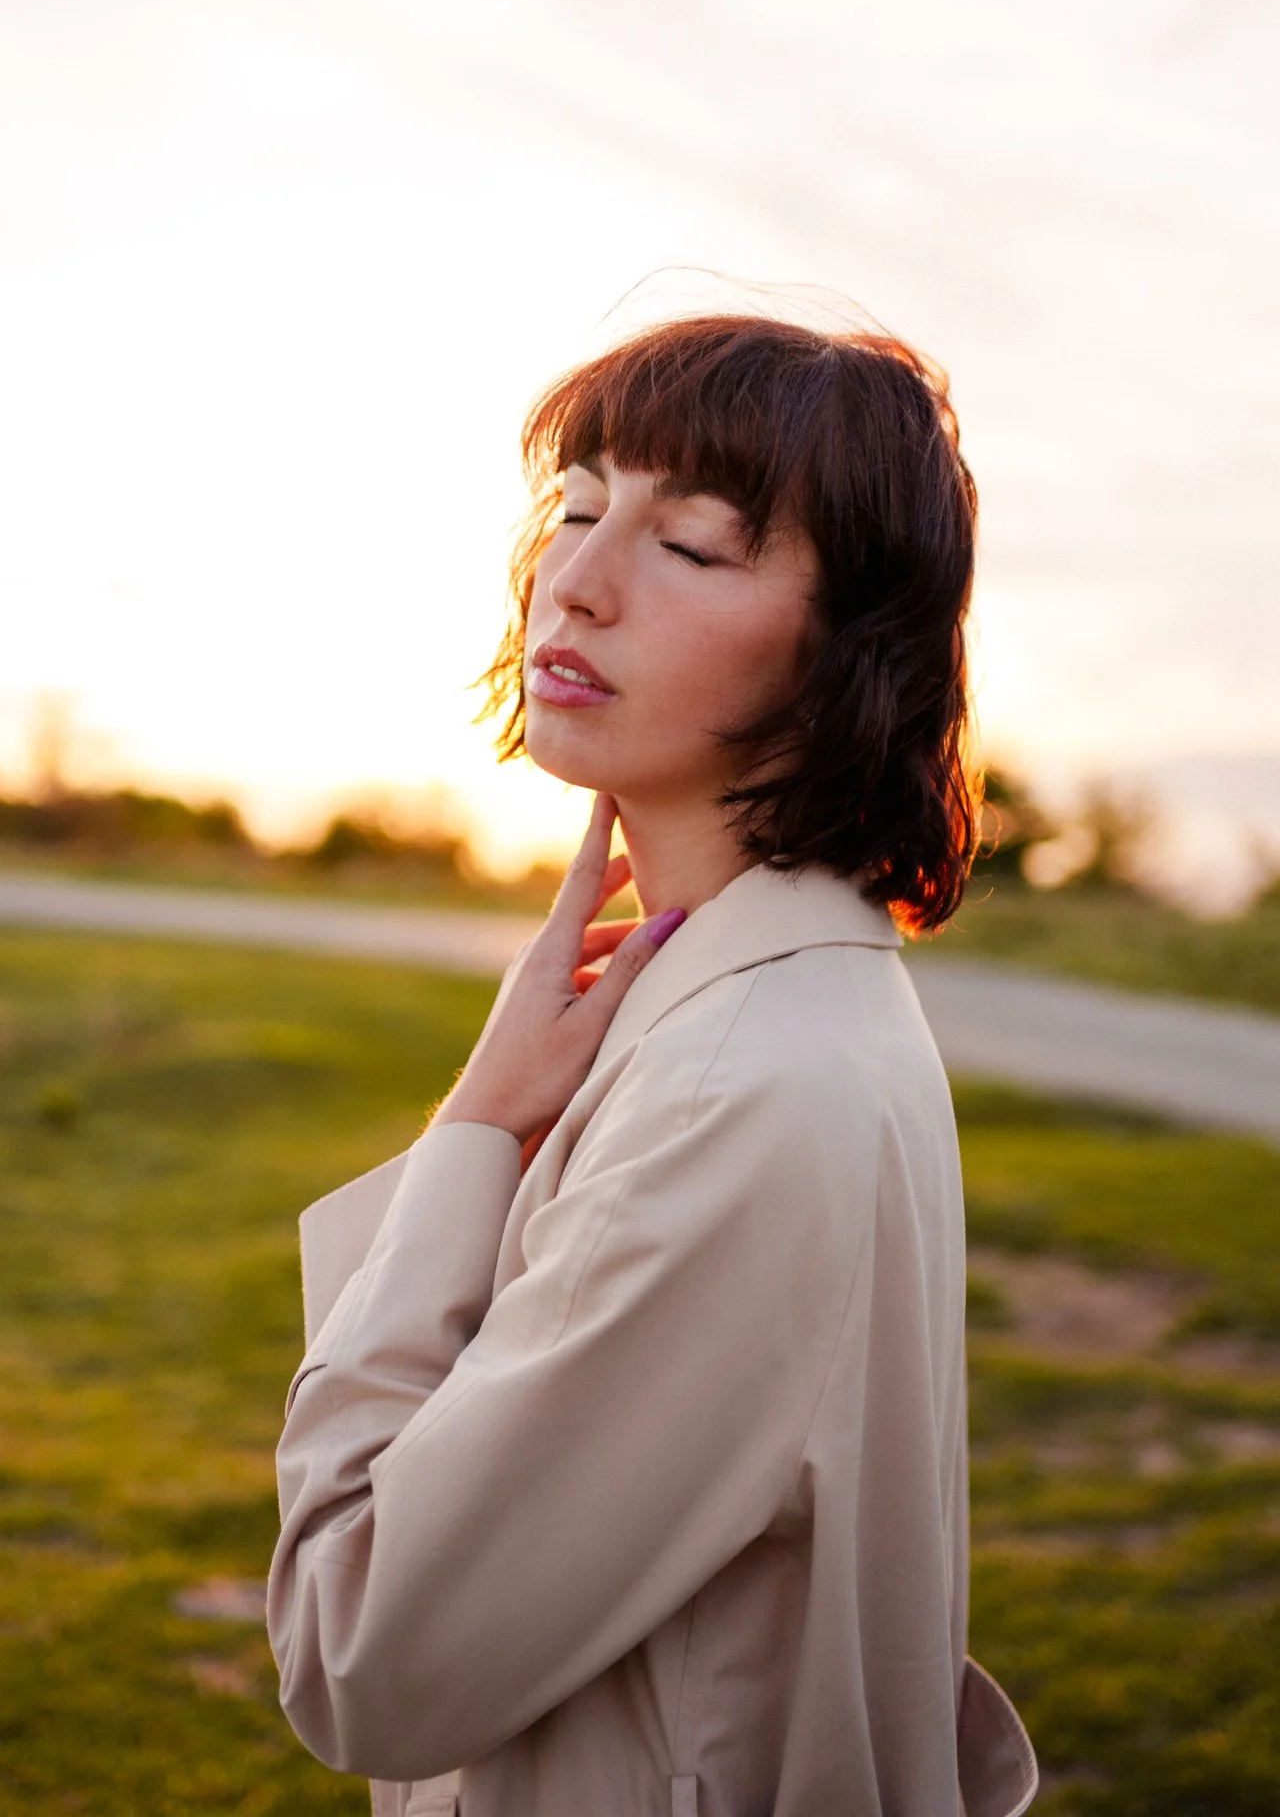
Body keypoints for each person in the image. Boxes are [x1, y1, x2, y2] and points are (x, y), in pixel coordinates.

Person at [267, 305, 1040, 1817]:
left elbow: (359, 1655)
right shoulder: (771, 992)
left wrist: (479, 1125)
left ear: (848, 645)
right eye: (574, 509)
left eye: (690, 547)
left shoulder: (736, 1083)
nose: (578, 580)